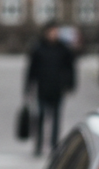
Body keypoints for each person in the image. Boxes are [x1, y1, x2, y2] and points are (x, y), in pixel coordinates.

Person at [25, 23, 76, 156]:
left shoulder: (63, 49)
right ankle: (38, 146)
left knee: (56, 119)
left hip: (57, 89)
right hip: (42, 89)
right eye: (51, 32)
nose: (53, 34)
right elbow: (31, 70)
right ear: (46, 33)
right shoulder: (38, 48)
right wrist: (28, 87)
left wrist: (70, 84)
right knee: (41, 117)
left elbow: (70, 68)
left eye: (56, 32)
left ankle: (54, 146)